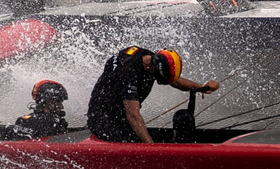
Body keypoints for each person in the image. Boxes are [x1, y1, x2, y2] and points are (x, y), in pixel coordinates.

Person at [86, 47, 218, 143]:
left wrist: (200, 87)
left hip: (121, 116)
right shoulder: (130, 73)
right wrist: (151, 147)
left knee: (139, 137)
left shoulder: (150, 59)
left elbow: (174, 81)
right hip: (102, 118)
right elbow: (133, 115)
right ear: (152, 68)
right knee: (131, 142)